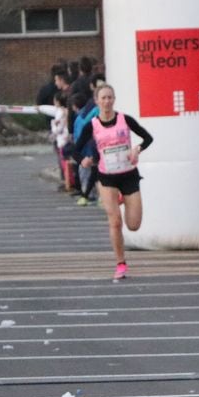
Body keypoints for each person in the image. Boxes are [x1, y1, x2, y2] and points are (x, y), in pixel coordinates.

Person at [75, 85, 153, 280]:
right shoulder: (92, 125)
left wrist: (137, 149)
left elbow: (148, 138)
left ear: (114, 100)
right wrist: (82, 161)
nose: (107, 101)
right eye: (103, 98)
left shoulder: (124, 120)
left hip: (128, 175)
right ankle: (120, 263)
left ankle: (123, 197)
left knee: (133, 225)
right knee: (115, 222)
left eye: (110, 97)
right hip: (106, 177)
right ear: (97, 101)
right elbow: (75, 149)